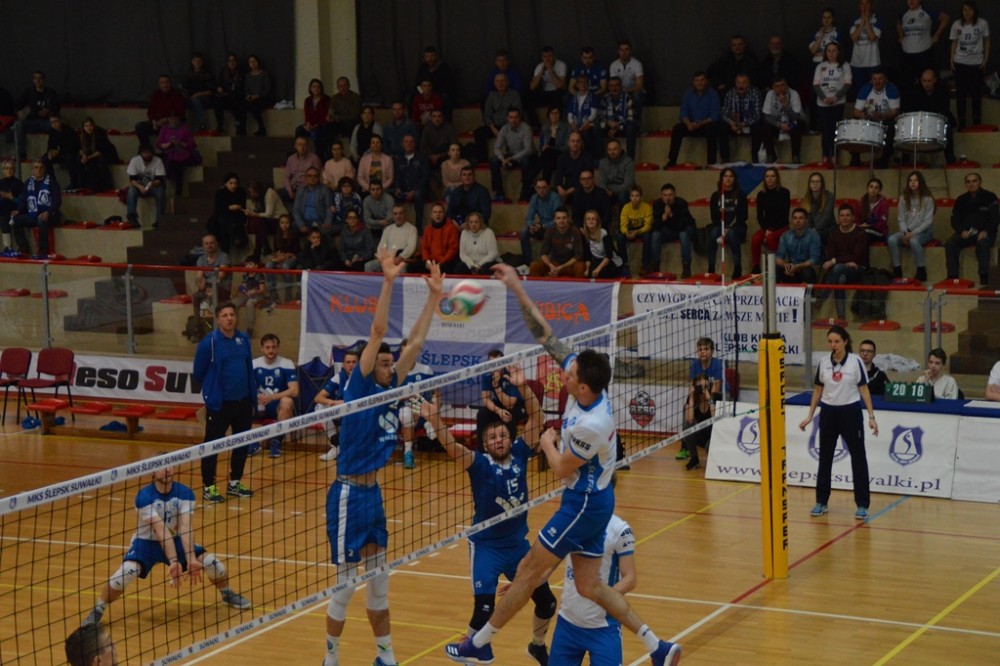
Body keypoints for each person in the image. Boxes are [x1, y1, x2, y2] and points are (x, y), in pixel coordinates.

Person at [446, 262, 679, 666]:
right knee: (590, 586)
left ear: (583, 386)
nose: (563, 375)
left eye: (570, 376)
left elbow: (560, 468)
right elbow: (545, 334)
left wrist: (546, 441)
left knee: (528, 571)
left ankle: (479, 643)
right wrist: (517, 287)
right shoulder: (586, 386)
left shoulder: (593, 423)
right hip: (593, 501)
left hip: (583, 504)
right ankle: (656, 645)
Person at [321, 249, 442, 666]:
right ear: (371, 366)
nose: (391, 368)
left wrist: (434, 296)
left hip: (373, 495)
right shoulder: (359, 389)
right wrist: (388, 281)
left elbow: (417, 343)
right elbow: (377, 331)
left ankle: (385, 657)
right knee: (345, 585)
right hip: (347, 495)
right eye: (385, 363)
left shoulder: (392, 388)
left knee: (379, 583)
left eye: (393, 363)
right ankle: (331, 659)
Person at [428, 374, 556, 665]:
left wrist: (522, 386)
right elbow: (452, 447)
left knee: (547, 603)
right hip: (486, 546)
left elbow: (537, 416)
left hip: (517, 547)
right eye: (492, 438)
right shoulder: (479, 463)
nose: (499, 440)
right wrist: (435, 420)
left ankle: (537, 646)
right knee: (484, 610)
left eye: (502, 436)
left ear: (510, 438)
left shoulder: (521, 453)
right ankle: (471, 652)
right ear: (485, 445)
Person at [82, 459, 251, 626]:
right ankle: (98, 610)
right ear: (153, 472)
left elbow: (185, 527)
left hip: (176, 541)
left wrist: (191, 559)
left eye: (170, 465)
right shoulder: (144, 496)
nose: (167, 469)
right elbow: (161, 530)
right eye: (161, 467)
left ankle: (227, 594)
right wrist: (174, 561)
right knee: (125, 573)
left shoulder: (185, 493)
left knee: (213, 564)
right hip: (146, 543)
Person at [799, 325, 878, 520]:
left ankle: (862, 505)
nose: (833, 345)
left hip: (850, 412)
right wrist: (810, 415)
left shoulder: (855, 362)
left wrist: (871, 417)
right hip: (828, 413)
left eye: (837, 341)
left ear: (845, 342)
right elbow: (818, 390)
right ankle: (821, 502)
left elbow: (864, 390)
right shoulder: (823, 363)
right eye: (830, 341)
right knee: (825, 457)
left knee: (858, 458)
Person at [549, 508, 637, 666]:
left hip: (603, 627)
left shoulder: (620, 530)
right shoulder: (570, 521)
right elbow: (550, 561)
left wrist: (604, 596)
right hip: (567, 625)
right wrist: (525, 582)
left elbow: (630, 578)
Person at [192, 301, 255, 502]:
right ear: (218, 319)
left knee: (241, 444)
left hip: (243, 402)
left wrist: (252, 397)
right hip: (220, 405)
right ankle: (209, 486)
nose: (229, 318)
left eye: (232, 315)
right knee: (212, 445)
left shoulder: (243, 340)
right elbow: (198, 372)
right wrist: (212, 394)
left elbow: (248, 367)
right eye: (225, 315)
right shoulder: (209, 343)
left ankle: (235, 483)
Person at [814, 204, 870, 321]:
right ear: (838, 218)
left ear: (853, 217)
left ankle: (822, 296)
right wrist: (844, 262)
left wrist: (835, 261)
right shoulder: (833, 233)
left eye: (847, 215)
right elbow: (830, 255)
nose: (844, 218)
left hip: (858, 268)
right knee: (840, 278)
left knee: (837, 268)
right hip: (840, 270)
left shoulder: (861, 233)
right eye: (842, 215)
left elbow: (856, 257)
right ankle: (841, 317)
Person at [945, 172, 998, 286]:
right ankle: (952, 276)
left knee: (983, 244)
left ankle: (984, 275)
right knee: (950, 243)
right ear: (965, 184)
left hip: (985, 233)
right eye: (968, 182)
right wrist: (961, 231)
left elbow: (995, 219)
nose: (971, 184)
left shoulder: (990, 197)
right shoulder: (960, 199)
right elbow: (954, 220)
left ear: (980, 182)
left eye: (974, 181)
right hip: (967, 233)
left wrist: (986, 231)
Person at [252, 333, 299, 458]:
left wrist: (271, 397)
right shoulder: (254, 364)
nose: (271, 350)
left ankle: (276, 441)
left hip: (277, 405)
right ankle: (250, 443)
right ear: (262, 348)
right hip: (259, 404)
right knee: (240, 404)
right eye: (267, 347)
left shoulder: (286, 363)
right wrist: (257, 397)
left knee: (287, 401)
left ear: (278, 348)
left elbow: (294, 391)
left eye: (274, 347)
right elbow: (246, 387)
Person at [665, 71, 720, 168]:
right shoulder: (688, 94)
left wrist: (701, 123)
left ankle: (711, 162)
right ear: (693, 82)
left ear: (706, 81)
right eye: (697, 81)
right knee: (677, 128)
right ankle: (672, 160)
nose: (700, 83)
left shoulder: (713, 94)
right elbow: (683, 113)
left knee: (712, 129)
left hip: (705, 124)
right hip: (691, 125)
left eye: (702, 80)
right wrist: (688, 124)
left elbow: (715, 115)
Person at [950, 1, 990, 129]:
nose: (967, 13)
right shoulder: (957, 24)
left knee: (976, 94)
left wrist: (985, 59)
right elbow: (954, 43)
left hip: (976, 63)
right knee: (960, 94)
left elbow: (987, 41)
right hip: (960, 62)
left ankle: (976, 122)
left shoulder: (982, 23)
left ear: (975, 11)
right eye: (965, 10)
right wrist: (951, 60)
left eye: (970, 9)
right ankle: (962, 123)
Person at [888, 171, 935, 281]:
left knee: (914, 241)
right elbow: (901, 219)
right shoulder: (903, 199)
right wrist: (905, 233)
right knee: (892, 239)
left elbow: (928, 222)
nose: (913, 183)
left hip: (924, 232)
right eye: (910, 180)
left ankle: (921, 270)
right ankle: (897, 269)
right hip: (907, 231)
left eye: (916, 180)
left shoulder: (928, 199)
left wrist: (912, 234)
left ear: (921, 182)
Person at [315, 348, 360, 462]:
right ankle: (335, 444)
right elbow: (318, 398)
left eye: (354, 362)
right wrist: (331, 402)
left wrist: (345, 403)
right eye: (348, 362)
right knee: (320, 407)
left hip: (359, 413)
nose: (351, 365)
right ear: (343, 365)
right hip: (342, 411)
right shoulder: (339, 377)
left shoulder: (364, 378)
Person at [813, 41, 852, 166]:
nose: (831, 53)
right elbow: (816, 84)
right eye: (829, 51)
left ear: (838, 52)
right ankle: (825, 156)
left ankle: (835, 155)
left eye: (834, 50)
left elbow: (847, 84)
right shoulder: (820, 66)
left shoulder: (845, 65)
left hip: (837, 103)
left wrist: (835, 97)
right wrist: (824, 98)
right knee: (825, 130)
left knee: (835, 129)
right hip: (822, 103)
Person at [851, 68, 900, 167]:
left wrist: (882, 115)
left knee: (892, 126)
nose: (877, 82)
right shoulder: (865, 89)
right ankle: (855, 159)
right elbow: (856, 111)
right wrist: (864, 115)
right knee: (855, 122)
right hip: (869, 119)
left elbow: (895, 111)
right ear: (871, 80)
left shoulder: (892, 89)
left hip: (886, 119)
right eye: (875, 79)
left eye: (880, 79)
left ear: (885, 79)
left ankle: (884, 159)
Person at [12, 160, 60, 258]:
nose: (38, 170)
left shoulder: (51, 182)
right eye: (36, 167)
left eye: (41, 167)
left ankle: (43, 251)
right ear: (32, 170)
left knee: (41, 220)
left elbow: (57, 201)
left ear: (44, 169)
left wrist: (48, 212)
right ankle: (23, 248)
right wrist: (18, 210)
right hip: (33, 214)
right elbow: (23, 199)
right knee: (15, 220)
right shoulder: (28, 183)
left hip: (50, 215)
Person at [897, 0, 950, 90]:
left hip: (924, 52)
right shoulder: (904, 14)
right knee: (906, 83)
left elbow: (946, 18)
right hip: (907, 53)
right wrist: (901, 36)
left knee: (926, 82)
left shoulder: (927, 11)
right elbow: (898, 23)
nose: (911, 1)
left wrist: (937, 35)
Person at [476, 349, 526, 441]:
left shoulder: (511, 373)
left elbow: (510, 404)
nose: (495, 367)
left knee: (508, 415)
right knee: (482, 414)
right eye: (492, 364)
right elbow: (486, 399)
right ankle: (482, 447)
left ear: (503, 363)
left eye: (498, 363)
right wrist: (498, 411)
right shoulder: (486, 374)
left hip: (517, 404)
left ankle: (509, 447)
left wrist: (496, 386)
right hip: (499, 403)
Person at [708, 168, 748, 279]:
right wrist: (723, 228)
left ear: (734, 179)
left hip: (737, 227)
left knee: (732, 233)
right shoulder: (715, 196)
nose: (728, 179)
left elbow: (744, 216)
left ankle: (737, 267)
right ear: (721, 179)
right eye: (725, 176)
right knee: (713, 233)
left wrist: (729, 228)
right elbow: (714, 217)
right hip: (720, 226)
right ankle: (711, 267)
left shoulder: (741, 195)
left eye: (731, 176)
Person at [651, 183, 697, 278]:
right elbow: (655, 226)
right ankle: (655, 267)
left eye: (670, 195)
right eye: (665, 195)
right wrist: (663, 218)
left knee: (683, 235)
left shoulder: (682, 203)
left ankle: (686, 266)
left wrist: (671, 215)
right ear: (661, 196)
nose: (668, 198)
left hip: (683, 229)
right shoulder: (657, 204)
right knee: (655, 235)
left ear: (675, 195)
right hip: (668, 231)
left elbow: (683, 225)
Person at [490, 108, 536, 203]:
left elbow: (528, 150)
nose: (513, 120)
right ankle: (499, 191)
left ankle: (525, 191)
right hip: (511, 155)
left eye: (516, 117)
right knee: (494, 160)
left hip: (526, 156)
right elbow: (496, 147)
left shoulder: (526, 128)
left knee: (526, 161)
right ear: (507, 118)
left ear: (520, 118)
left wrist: (511, 158)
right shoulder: (504, 129)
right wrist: (502, 159)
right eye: (511, 117)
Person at [475, 73, 522, 164]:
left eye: (502, 81)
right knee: (478, 133)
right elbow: (487, 115)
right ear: (494, 83)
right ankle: (483, 160)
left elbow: (517, 113)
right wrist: (493, 128)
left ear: (507, 82)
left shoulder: (514, 94)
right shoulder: (491, 95)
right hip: (495, 126)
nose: (500, 84)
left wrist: (505, 129)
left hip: (510, 125)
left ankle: (512, 160)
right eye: (497, 81)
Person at [13, 71, 60, 162]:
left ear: (44, 80)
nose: (38, 80)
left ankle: (52, 153)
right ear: (33, 80)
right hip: (32, 121)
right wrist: (19, 112)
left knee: (56, 126)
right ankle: (21, 153)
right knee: (18, 125)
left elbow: (57, 108)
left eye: (40, 78)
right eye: (35, 78)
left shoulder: (51, 93)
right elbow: (19, 105)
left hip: (46, 121)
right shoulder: (29, 92)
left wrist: (48, 111)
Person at [751, 167, 790, 273]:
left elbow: (785, 215)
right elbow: (760, 216)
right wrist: (766, 228)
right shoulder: (761, 194)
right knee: (755, 239)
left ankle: (780, 263)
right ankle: (755, 267)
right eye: (767, 176)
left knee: (770, 238)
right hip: (766, 227)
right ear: (764, 179)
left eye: (772, 176)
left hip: (781, 226)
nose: (770, 179)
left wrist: (772, 229)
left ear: (777, 178)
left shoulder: (784, 192)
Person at [718, 73, 764, 163]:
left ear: (748, 84)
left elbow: (757, 114)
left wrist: (743, 124)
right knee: (722, 127)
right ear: (735, 84)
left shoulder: (755, 92)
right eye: (738, 83)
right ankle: (725, 159)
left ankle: (755, 158)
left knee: (757, 126)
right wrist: (731, 123)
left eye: (744, 83)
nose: (741, 86)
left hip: (749, 122)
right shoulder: (730, 93)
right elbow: (724, 113)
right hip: (734, 123)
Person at [529, 207, 585, 278]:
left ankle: (577, 285)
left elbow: (578, 255)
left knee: (580, 267)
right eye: (558, 218)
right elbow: (543, 254)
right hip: (554, 263)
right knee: (534, 266)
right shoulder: (550, 232)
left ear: (568, 219)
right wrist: (550, 266)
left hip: (570, 264)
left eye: (564, 218)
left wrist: (562, 267)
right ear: (554, 220)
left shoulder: (575, 232)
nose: (561, 220)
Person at [190, 234, 231, 332]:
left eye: (212, 243)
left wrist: (207, 286)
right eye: (206, 243)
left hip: (222, 287)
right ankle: (198, 327)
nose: (209, 245)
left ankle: (214, 329)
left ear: (216, 244)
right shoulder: (201, 259)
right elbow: (199, 277)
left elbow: (220, 276)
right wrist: (201, 285)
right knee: (197, 296)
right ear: (203, 246)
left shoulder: (224, 256)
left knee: (209, 297)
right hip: (207, 287)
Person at [761, 76, 806, 163]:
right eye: (777, 86)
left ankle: (795, 156)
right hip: (778, 123)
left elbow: (796, 117)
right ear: (773, 87)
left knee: (796, 127)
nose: (780, 88)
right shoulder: (770, 94)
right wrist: (780, 125)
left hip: (793, 122)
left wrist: (785, 105)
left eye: (782, 85)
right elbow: (767, 116)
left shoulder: (794, 94)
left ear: (787, 85)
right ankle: (771, 155)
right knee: (765, 127)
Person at [135, 75, 185, 152]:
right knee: (140, 127)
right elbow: (151, 111)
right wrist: (153, 121)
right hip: (157, 123)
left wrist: (166, 120)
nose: (165, 85)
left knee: (167, 129)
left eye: (167, 82)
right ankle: (147, 151)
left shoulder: (176, 95)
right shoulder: (156, 94)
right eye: (162, 83)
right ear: (159, 84)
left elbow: (180, 114)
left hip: (171, 123)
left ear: (170, 83)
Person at [521, 176, 564, 262]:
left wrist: (542, 226)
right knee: (524, 232)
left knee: (551, 232)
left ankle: (553, 262)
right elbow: (529, 217)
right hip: (541, 227)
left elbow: (558, 220)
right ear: (535, 188)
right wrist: (532, 225)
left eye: (544, 187)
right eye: (539, 188)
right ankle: (527, 262)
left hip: (554, 227)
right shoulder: (534, 198)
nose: (541, 190)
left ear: (548, 187)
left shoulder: (555, 198)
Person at [775, 207, 823, 284]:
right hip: (791, 268)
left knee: (807, 272)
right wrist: (786, 266)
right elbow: (778, 257)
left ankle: (808, 292)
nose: (798, 221)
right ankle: (777, 292)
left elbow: (814, 259)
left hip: (806, 268)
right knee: (775, 269)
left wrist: (797, 267)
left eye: (801, 218)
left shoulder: (813, 236)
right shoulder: (785, 236)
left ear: (806, 220)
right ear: (792, 220)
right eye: (795, 218)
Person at [365, 205, 418, 273]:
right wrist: (383, 258)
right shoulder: (388, 229)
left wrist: (400, 257)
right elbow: (381, 246)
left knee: (402, 269)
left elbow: (411, 248)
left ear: (405, 214)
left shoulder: (412, 229)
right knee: (369, 266)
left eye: (400, 213)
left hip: (401, 260)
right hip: (386, 259)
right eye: (395, 214)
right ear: (392, 215)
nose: (398, 216)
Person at [246, 180, 289, 262]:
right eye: (250, 192)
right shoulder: (256, 198)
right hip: (270, 220)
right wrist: (250, 212)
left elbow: (269, 214)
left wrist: (255, 214)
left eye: (254, 192)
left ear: (259, 190)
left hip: (280, 219)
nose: (252, 194)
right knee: (258, 225)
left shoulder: (269, 193)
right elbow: (257, 211)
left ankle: (259, 253)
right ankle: (263, 249)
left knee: (258, 222)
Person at [157, 113, 199, 195]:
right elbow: (159, 144)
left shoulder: (185, 129)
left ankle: (178, 191)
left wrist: (179, 143)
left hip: (182, 153)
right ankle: (161, 187)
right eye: (170, 119)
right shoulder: (164, 128)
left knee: (178, 164)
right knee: (158, 161)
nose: (172, 121)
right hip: (168, 152)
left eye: (174, 119)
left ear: (179, 120)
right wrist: (169, 143)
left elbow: (191, 145)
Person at [393, 135, 429, 230]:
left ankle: (418, 227)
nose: (408, 144)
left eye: (411, 142)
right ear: (402, 144)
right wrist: (397, 187)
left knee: (418, 195)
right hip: (403, 190)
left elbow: (425, 177)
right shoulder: (399, 159)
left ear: (415, 144)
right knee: (393, 195)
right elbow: (397, 176)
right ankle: (397, 226)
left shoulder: (422, 158)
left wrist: (414, 191)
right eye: (406, 142)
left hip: (419, 190)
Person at [124, 146, 166, 229]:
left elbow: (160, 180)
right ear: (140, 154)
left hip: (153, 186)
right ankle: (132, 217)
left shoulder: (158, 161)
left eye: (149, 152)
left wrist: (151, 184)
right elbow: (132, 179)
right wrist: (140, 187)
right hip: (139, 186)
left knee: (160, 192)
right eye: (144, 153)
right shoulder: (135, 161)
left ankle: (160, 219)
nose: (147, 155)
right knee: (131, 191)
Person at [681, 375, 716, 471]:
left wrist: (709, 398)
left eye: (705, 387)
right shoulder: (693, 399)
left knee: (709, 447)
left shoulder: (715, 398)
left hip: (713, 436)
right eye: (700, 387)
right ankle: (694, 458)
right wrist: (691, 397)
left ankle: (715, 460)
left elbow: (715, 418)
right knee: (687, 427)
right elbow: (690, 421)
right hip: (700, 435)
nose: (702, 390)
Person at [209, 172, 248, 254]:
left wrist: (237, 208)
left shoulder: (241, 192)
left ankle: (227, 248)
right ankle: (235, 237)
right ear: (225, 184)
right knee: (221, 221)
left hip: (236, 216)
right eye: (231, 183)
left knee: (223, 227)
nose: (233, 186)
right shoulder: (220, 193)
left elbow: (243, 206)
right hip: (224, 216)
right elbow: (217, 208)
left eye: (235, 183)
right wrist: (229, 208)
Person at [264, 214, 299, 302]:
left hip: (292, 258)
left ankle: (288, 295)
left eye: (287, 223)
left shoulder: (294, 234)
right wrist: (277, 258)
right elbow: (276, 251)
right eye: (282, 223)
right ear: (279, 224)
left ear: (290, 224)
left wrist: (287, 256)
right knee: (268, 265)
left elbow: (297, 251)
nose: (284, 225)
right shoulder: (277, 236)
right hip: (280, 258)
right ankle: (273, 293)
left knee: (285, 266)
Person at [183, 52, 221, 133]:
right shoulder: (188, 74)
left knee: (196, 100)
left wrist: (197, 94)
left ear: (202, 62)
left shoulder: (207, 74)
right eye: (195, 61)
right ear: (192, 62)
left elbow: (211, 91)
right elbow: (184, 87)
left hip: (205, 99)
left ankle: (202, 124)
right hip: (190, 98)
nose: (197, 63)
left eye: (199, 61)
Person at [620, 185, 654, 275]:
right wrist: (626, 233)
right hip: (630, 230)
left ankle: (645, 265)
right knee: (620, 237)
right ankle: (625, 265)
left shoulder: (647, 207)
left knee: (647, 236)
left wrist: (637, 232)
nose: (634, 198)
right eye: (632, 196)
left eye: (637, 196)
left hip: (641, 230)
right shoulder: (626, 208)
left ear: (641, 197)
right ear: (629, 197)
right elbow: (623, 225)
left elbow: (648, 225)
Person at [850, 0, 884, 90]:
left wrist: (867, 20)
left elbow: (872, 37)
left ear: (871, 5)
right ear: (859, 6)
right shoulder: (855, 21)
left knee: (874, 89)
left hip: (873, 62)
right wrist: (862, 21)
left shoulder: (877, 20)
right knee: (860, 89)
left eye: (867, 3)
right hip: (857, 62)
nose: (864, 6)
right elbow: (854, 38)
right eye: (862, 3)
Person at [77, 117, 117, 193]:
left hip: (107, 153)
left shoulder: (99, 133)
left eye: (90, 125)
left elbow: (101, 150)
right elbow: (79, 148)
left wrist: (88, 157)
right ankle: (81, 184)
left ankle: (107, 185)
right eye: (86, 126)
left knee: (101, 160)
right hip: (92, 154)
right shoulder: (82, 135)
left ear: (93, 126)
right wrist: (84, 156)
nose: (88, 128)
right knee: (79, 159)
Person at [551, 131, 591, 205]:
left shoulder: (587, 157)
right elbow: (558, 176)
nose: (575, 143)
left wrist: (569, 191)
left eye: (578, 141)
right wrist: (560, 188)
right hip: (567, 186)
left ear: (581, 143)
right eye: (573, 141)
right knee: (553, 194)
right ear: (568, 143)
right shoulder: (562, 157)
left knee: (579, 193)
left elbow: (588, 178)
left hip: (582, 186)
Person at [609, 41, 645, 121]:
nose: (624, 52)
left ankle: (636, 123)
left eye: (626, 50)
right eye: (621, 50)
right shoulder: (613, 65)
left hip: (633, 91)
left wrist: (626, 91)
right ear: (618, 51)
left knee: (637, 95)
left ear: (630, 51)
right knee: (609, 96)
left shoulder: (637, 64)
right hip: (619, 91)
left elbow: (639, 86)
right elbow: (613, 84)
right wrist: (620, 92)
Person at [601, 76, 637, 157]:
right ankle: (600, 159)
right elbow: (600, 116)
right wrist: (608, 122)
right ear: (608, 87)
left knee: (631, 127)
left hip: (623, 126)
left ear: (621, 86)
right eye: (611, 86)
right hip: (609, 125)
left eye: (616, 85)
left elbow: (631, 117)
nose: (614, 88)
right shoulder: (605, 98)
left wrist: (617, 127)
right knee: (597, 127)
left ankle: (630, 159)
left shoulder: (628, 98)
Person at [529, 46, 568, 120]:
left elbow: (560, 85)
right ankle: (536, 124)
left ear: (553, 56)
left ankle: (559, 122)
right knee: (530, 100)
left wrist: (550, 70)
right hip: (545, 92)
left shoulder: (561, 65)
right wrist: (541, 73)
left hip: (558, 91)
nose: (547, 59)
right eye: (545, 57)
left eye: (549, 56)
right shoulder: (539, 67)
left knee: (559, 99)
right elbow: (532, 87)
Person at [42, 114, 80, 189]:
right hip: (59, 154)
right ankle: (52, 182)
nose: (54, 124)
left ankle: (74, 182)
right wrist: (50, 153)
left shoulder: (69, 131)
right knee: (45, 159)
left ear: (60, 121)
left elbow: (73, 147)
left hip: (70, 153)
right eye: (52, 122)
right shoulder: (52, 132)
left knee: (70, 158)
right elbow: (50, 145)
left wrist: (59, 152)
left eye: (55, 121)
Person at [282, 136, 324, 204]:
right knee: (273, 194)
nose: (302, 147)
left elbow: (317, 177)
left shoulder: (314, 159)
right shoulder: (291, 159)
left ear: (307, 146)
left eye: (304, 144)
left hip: (307, 188)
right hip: (293, 187)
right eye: (300, 144)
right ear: (295, 146)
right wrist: (289, 190)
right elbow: (287, 177)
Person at [581, 209, 622, 279]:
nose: (591, 221)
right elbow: (587, 256)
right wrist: (587, 269)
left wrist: (598, 269)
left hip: (611, 261)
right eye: (588, 219)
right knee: (590, 273)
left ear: (597, 222)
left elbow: (609, 256)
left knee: (601, 273)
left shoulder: (604, 234)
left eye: (593, 219)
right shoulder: (585, 235)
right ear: (585, 222)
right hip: (597, 261)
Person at [455, 211, 499, 275]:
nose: (473, 224)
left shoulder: (489, 233)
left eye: (476, 222)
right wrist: (472, 266)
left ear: (481, 223)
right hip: (470, 264)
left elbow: (493, 254)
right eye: (471, 222)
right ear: (468, 223)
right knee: (459, 267)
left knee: (485, 269)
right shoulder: (464, 233)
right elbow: (463, 254)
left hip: (486, 263)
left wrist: (478, 265)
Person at [293, 168, 334, 235]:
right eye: (309, 176)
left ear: (319, 177)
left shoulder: (325, 190)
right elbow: (295, 209)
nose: (312, 178)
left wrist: (327, 221)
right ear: (306, 177)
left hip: (318, 221)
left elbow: (329, 207)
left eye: (315, 176)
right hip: (304, 220)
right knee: (293, 226)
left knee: (325, 230)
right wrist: (301, 224)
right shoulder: (300, 190)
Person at [420, 203, 459, 273]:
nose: (437, 214)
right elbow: (424, 247)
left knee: (447, 267)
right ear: (431, 215)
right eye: (435, 212)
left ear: (444, 214)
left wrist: (441, 263)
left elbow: (452, 249)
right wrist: (427, 260)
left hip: (446, 261)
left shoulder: (452, 228)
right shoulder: (428, 229)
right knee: (412, 267)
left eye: (440, 212)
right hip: (431, 260)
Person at [566, 73, 600, 154]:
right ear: (577, 85)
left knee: (585, 134)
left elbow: (593, 114)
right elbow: (569, 115)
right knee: (569, 132)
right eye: (581, 82)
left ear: (588, 84)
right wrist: (573, 126)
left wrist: (583, 126)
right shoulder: (573, 98)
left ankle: (589, 155)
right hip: (575, 125)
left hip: (588, 124)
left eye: (586, 82)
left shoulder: (593, 97)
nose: (583, 84)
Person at [296, 78, 331, 156]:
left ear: (321, 88)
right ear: (310, 88)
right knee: (298, 130)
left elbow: (326, 116)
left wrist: (316, 125)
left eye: (318, 87)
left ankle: (319, 157)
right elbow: (307, 114)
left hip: (321, 125)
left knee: (319, 132)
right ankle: (299, 153)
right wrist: (308, 124)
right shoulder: (308, 100)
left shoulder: (327, 100)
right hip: (311, 124)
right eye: (314, 87)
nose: (316, 89)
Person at [598, 138, 635, 206]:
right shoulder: (603, 162)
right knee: (601, 194)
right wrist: (606, 190)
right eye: (610, 150)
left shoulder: (628, 162)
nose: (612, 152)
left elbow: (628, 184)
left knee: (622, 195)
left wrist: (613, 191)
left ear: (620, 149)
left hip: (623, 191)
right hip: (608, 190)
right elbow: (602, 182)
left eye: (615, 149)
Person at [538, 106, 570, 181]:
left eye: (556, 113)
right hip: (548, 157)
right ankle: (546, 183)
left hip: (561, 155)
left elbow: (567, 147)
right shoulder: (545, 128)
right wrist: (543, 148)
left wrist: (552, 148)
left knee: (548, 154)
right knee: (548, 157)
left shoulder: (566, 128)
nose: (554, 115)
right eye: (552, 113)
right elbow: (541, 146)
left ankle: (539, 180)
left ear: (560, 115)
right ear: (548, 115)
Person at [217, 52, 245, 135]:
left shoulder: (241, 72)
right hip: (226, 96)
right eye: (229, 60)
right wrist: (220, 89)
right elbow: (220, 85)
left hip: (238, 96)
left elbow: (244, 87)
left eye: (233, 60)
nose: (231, 63)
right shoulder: (224, 72)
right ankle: (220, 125)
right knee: (217, 102)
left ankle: (240, 127)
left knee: (239, 103)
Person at [327, 77, 362, 142]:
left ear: (349, 86)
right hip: (339, 124)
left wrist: (338, 117)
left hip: (352, 123)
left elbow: (354, 116)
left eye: (344, 85)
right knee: (327, 127)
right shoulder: (335, 98)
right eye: (340, 86)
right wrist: (330, 116)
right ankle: (332, 147)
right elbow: (331, 111)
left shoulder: (356, 98)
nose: (342, 88)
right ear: (337, 87)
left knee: (352, 126)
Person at [244, 54, 272, 136]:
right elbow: (246, 89)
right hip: (251, 99)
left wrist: (257, 96)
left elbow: (267, 89)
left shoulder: (264, 74)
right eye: (251, 62)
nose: (253, 63)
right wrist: (248, 96)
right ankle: (242, 129)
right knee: (243, 105)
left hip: (263, 98)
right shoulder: (247, 76)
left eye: (254, 61)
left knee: (254, 106)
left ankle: (262, 128)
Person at [803, 172, 835, 242]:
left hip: (828, 229)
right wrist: (810, 230)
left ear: (822, 184)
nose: (815, 184)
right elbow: (807, 218)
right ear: (809, 184)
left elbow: (826, 218)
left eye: (818, 181)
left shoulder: (829, 196)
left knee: (813, 238)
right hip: (812, 230)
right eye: (812, 181)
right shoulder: (806, 198)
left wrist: (815, 229)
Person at [0, 160, 24, 254]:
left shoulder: (19, 184)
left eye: (11, 168)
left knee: (9, 218)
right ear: (3, 170)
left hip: (15, 210)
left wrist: (11, 198)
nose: (9, 170)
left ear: (14, 170)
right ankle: (7, 247)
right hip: (3, 210)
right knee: (3, 217)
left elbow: (22, 202)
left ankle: (20, 247)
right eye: (7, 168)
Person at [859, 177, 891, 244]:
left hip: (879, 232)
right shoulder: (862, 202)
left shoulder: (883, 204)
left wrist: (869, 226)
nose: (873, 189)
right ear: (867, 188)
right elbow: (856, 219)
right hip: (863, 230)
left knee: (863, 235)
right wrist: (860, 225)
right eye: (871, 187)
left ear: (879, 190)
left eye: (876, 188)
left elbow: (882, 224)